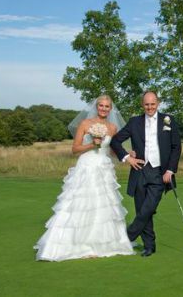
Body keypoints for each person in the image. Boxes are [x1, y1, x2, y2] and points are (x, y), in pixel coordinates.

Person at [34, 95, 136, 261]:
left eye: (107, 106)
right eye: (101, 106)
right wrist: (92, 145)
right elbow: (75, 149)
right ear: (96, 107)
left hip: (104, 167)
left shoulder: (112, 127)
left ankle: (101, 244)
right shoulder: (85, 124)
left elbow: (111, 151)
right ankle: (80, 245)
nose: (103, 108)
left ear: (111, 109)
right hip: (87, 166)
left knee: (103, 204)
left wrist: (125, 154)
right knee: (82, 204)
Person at [110, 91, 182, 257]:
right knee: (143, 209)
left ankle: (128, 236)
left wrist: (170, 170)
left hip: (159, 172)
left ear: (158, 103)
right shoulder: (134, 122)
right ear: (142, 105)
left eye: (153, 104)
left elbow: (176, 147)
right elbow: (115, 140)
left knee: (148, 208)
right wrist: (127, 157)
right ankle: (149, 246)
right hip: (140, 171)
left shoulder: (169, 120)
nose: (150, 107)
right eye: (146, 104)